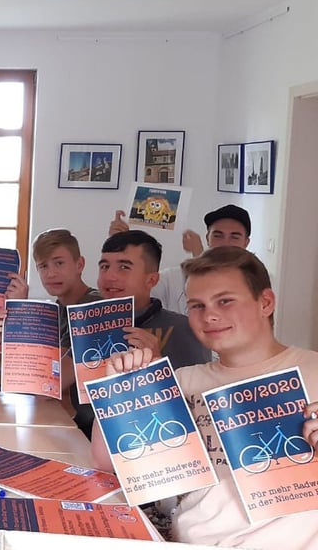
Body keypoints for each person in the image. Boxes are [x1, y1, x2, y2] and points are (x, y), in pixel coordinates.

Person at [90, 247, 318, 549]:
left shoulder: (313, 371)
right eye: (196, 305)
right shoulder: (183, 381)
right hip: (190, 540)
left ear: (265, 302)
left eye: (225, 301)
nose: (209, 315)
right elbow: (106, 462)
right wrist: (119, 387)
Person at [70, 230, 212, 438]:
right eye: (104, 266)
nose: (110, 276)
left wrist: (156, 365)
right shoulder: (83, 323)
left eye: (124, 267)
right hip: (82, 435)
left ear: (151, 280)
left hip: (149, 442)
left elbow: (196, 408)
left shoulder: (182, 327)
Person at [0, 229, 102, 411]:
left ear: (79, 264)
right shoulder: (56, 309)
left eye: (59, 263)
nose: (50, 274)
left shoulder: (93, 308)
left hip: (83, 425)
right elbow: (18, 372)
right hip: (56, 411)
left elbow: (49, 382)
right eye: (43, 266)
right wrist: (6, 332)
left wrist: (20, 315)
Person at [109, 204, 251, 313]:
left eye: (234, 236)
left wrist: (199, 255)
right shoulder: (172, 277)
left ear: (246, 242)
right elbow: (131, 298)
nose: (225, 243)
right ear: (208, 238)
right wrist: (121, 248)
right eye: (218, 235)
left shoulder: (255, 280)